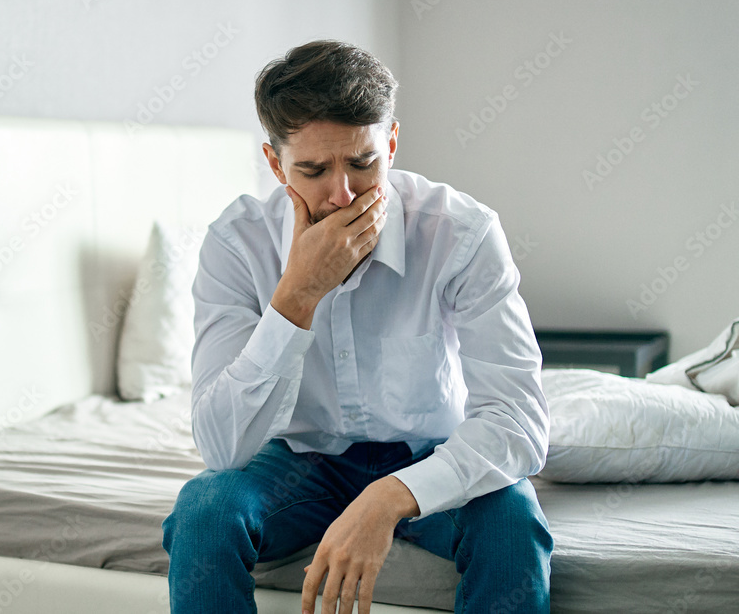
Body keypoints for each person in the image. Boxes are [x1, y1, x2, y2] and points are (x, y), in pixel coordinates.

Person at [161, 39, 553, 614]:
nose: (342, 194)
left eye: (363, 163)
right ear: (275, 164)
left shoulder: (462, 234)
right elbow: (221, 447)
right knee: (204, 511)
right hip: (298, 463)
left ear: (391, 144)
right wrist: (296, 296)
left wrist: (389, 499)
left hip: (430, 452)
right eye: (313, 170)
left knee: (513, 522)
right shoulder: (236, 244)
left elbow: (518, 421)